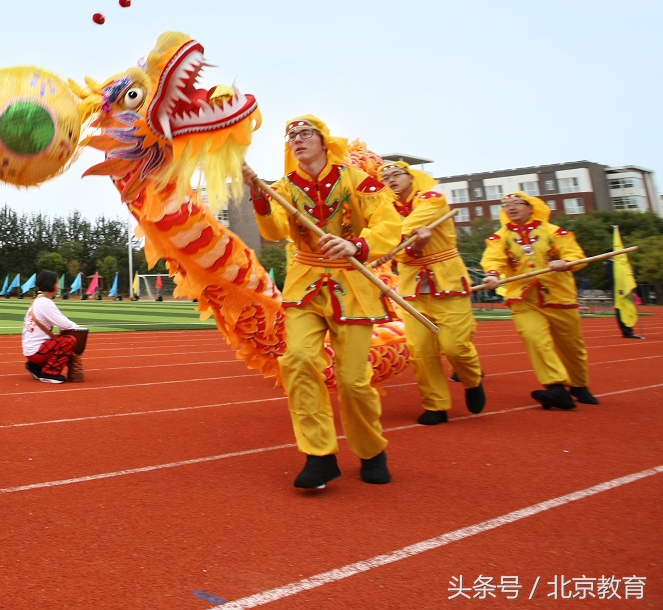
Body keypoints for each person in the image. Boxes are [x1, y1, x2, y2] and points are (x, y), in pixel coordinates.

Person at [244, 115, 402, 489]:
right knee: (297, 361)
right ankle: (319, 454)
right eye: (291, 136)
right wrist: (258, 194)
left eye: (304, 134)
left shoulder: (355, 180)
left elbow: (387, 222)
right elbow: (274, 231)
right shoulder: (284, 186)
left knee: (352, 380)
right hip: (306, 285)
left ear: (322, 140)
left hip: (352, 285)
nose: (297, 140)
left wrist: (358, 245)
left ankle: (370, 450)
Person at [378, 161, 485, 425]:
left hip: (447, 282)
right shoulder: (384, 210)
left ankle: (472, 380)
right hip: (412, 287)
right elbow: (395, 248)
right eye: (385, 177)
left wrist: (386, 240)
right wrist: (410, 247)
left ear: (411, 176)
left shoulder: (432, 199)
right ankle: (435, 404)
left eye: (396, 174)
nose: (390, 179)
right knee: (421, 350)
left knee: (455, 346)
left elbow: (392, 237)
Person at [480, 192, 598, 410]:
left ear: (531, 207)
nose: (511, 207)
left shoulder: (555, 232)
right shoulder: (499, 237)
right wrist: (493, 274)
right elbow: (492, 258)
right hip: (523, 298)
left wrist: (566, 262)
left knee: (571, 346)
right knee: (535, 339)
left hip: (559, 296)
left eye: (516, 203)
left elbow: (577, 255)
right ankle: (556, 386)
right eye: (506, 205)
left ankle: (579, 385)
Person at [23, 271, 80, 384]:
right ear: (51, 284)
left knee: (60, 338)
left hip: (31, 350)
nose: (59, 286)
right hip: (37, 351)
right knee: (69, 341)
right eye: (57, 283)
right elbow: (65, 324)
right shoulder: (45, 302)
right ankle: (50, 373)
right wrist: (80, 330)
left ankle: (35, 366)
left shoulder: (38, 300)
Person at [605, 260, 643, 339]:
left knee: (627, 309)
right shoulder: (609, 264)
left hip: (624, 290)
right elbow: (613, 278)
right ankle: (626, 331)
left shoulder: (619, 264)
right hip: (618, 291)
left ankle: (628, 329)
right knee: (620, 310)